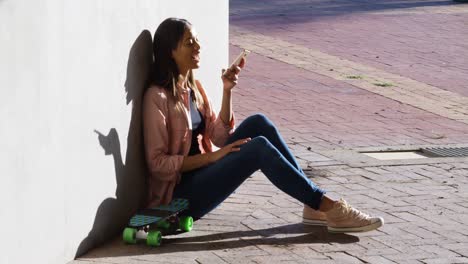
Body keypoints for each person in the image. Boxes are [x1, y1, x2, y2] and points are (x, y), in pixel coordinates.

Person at [142, 17, 384, 233]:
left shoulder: (196, 90)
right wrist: (214, 158)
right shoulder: (157, 97)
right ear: (170, 51)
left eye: (196, 40)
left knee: (259, 122)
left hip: (205, 177)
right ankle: (326, 205)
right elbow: (158, 165)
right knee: (258, 148)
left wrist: (227, 91)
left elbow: (218, 138)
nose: (198, 47)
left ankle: (313, 205)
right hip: (178, 198)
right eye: (189, 42)